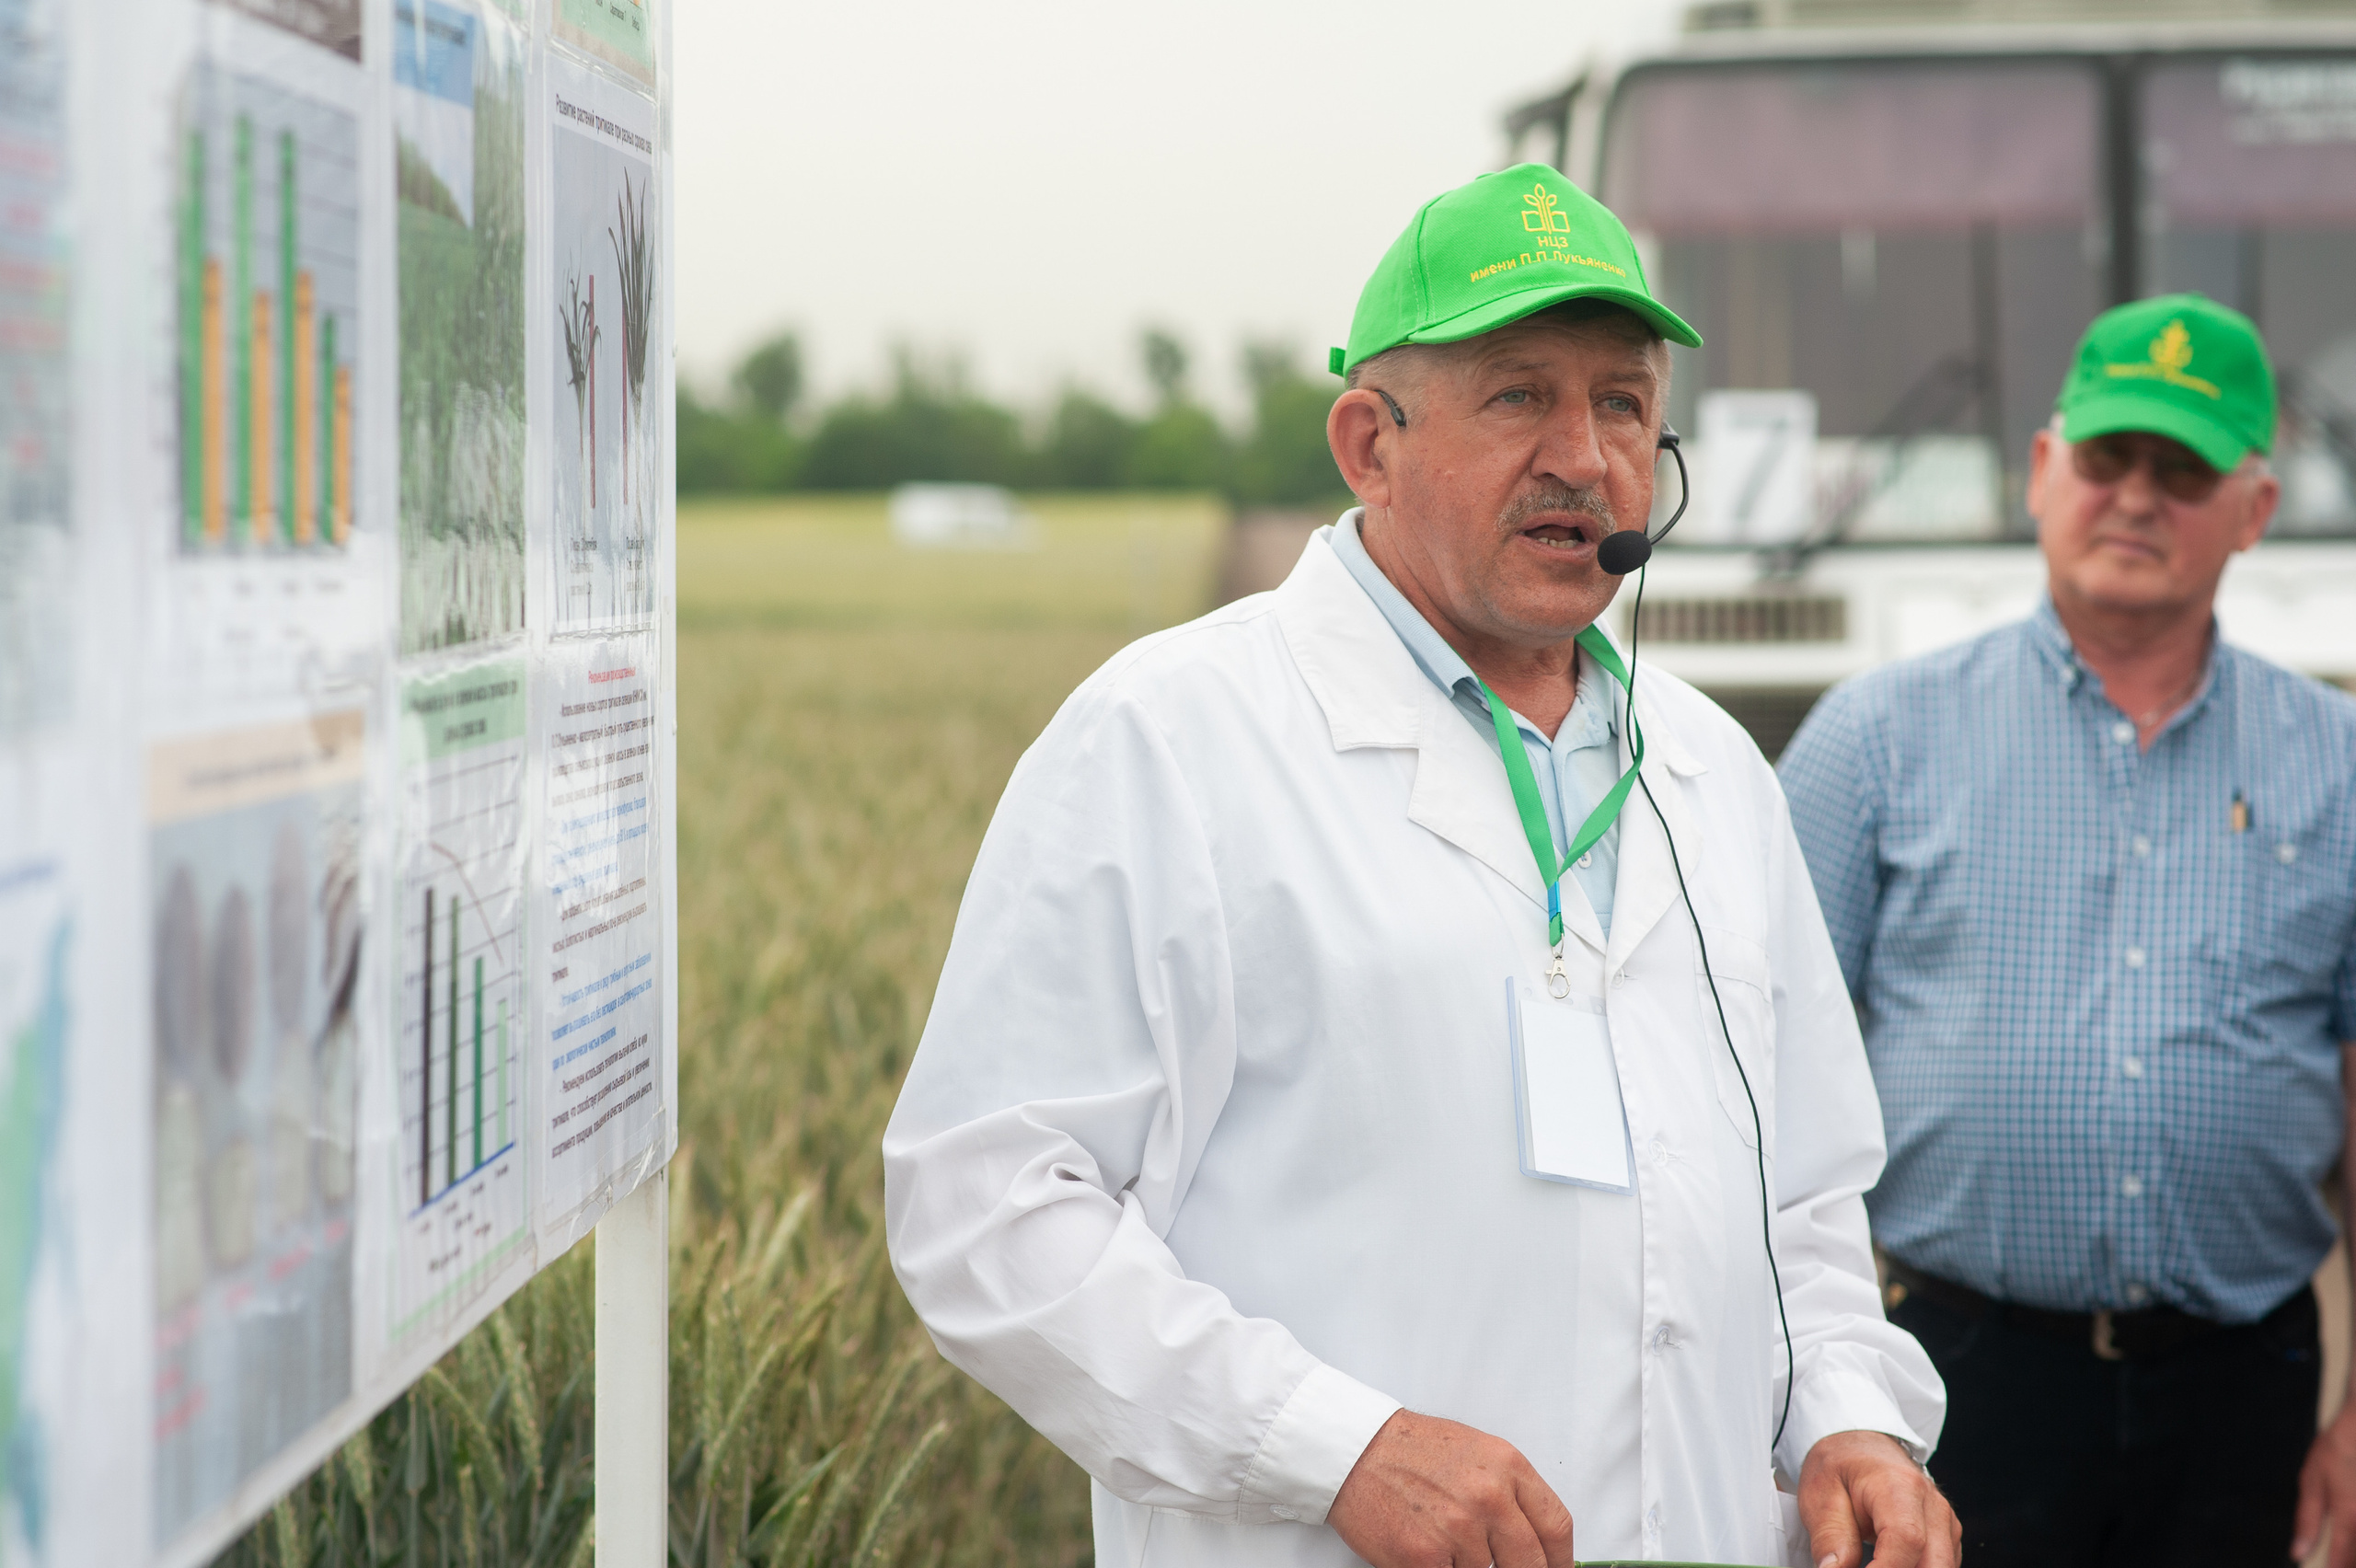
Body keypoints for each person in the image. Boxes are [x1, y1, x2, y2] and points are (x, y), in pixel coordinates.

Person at [884, 164, 1954, 1568]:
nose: (1584, 454)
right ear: (1368, 444)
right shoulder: (1168, 742)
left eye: (1622, 403)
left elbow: (1804, 1204)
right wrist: (1335, 1448)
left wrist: (1850, 1421)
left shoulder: (1708, 775)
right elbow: (990, 1208)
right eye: (1520, 394)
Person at [1779, 294, 2356, 1568]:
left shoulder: (2340, 764)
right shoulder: (1873, 742)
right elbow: (1749, 1083)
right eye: (2106, 460)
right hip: (1949, 1374)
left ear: (2256, 509)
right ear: (2045, 473)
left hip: (2245, 1384)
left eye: (2183, 469)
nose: (2136, 497)